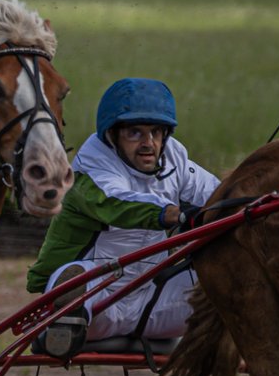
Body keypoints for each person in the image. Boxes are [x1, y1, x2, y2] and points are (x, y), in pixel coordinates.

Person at [25, 77, 220, 358]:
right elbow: (119, 203)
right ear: (112, 135)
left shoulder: (175, 158)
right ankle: (57, 326)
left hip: (151, 297)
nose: (148, 143)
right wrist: (174, 214)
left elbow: (218, 195)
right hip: (99, 298)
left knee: (224, 280)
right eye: (135, 133)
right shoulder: (90, 169)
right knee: (75, 280)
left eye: (156, 132)